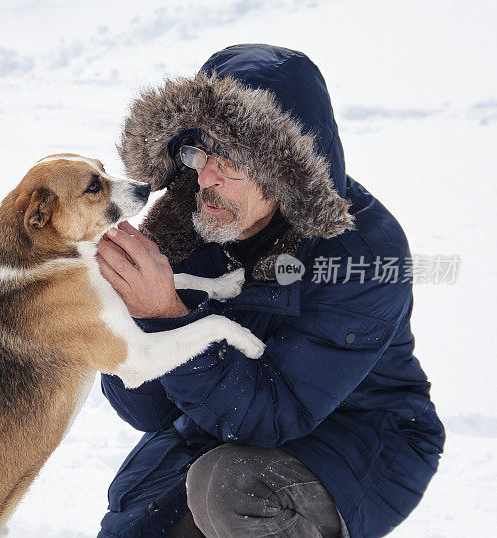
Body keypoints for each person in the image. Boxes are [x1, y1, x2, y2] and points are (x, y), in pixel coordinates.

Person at [95, 44, 444, 538]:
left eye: (231, 161)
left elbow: (272, 417)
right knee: (143, 523)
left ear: (283, 173)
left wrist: (167, 317)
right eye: (200, 153)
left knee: (229, 489)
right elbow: (149, 411)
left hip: (364, 438)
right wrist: (132, 318)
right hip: (228, 425)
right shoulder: (189, 227)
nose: (205, 178)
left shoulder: (363, 256)